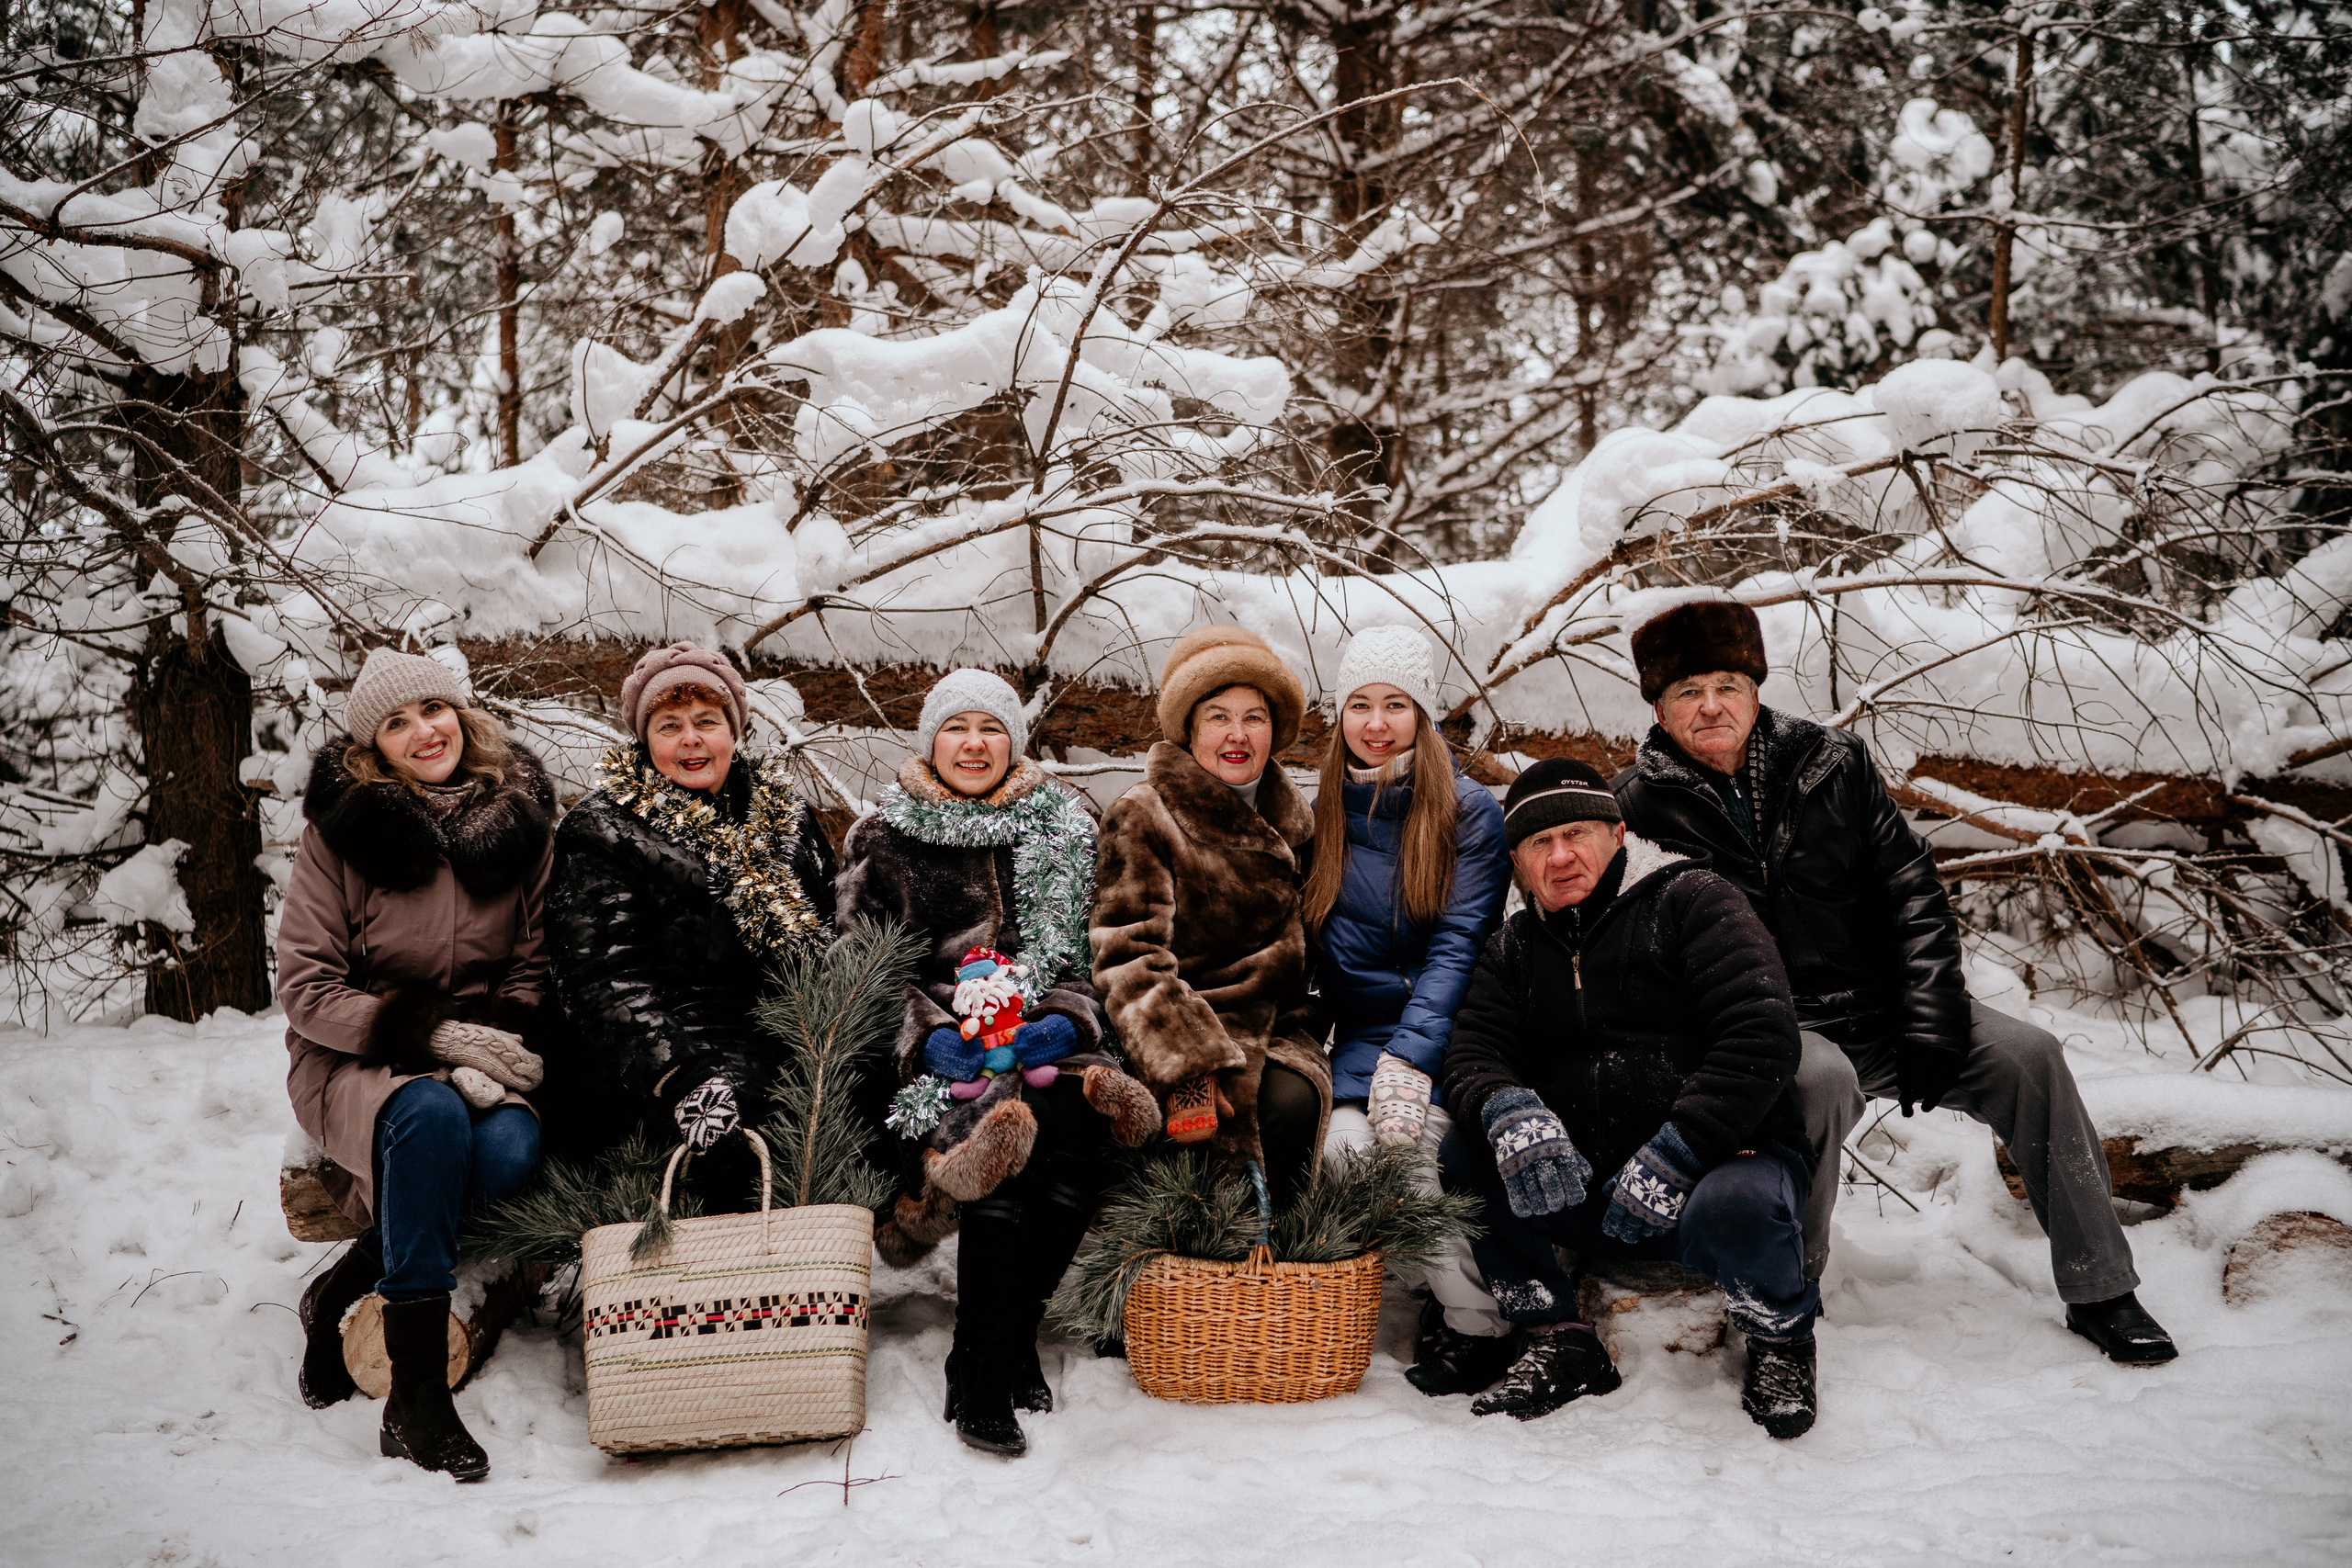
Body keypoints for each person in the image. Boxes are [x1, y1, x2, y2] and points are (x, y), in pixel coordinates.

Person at [1611, 599, 2176, 1365]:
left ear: (1754, 687)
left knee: (2031, 1055)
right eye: (1687, 691)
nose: (1710, 705)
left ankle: (2101, 1285)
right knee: (1818, 1079)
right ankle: (1790, 1294)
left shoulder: (1831, 764)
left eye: (1726, 684)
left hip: (1887, 1005)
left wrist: (1932, 1015)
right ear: (1657, 706)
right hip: (1772, 1027)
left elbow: (1912, 891)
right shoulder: (1632, 808)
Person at [1440, 759, 1822, 1437]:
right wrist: (1507, 1107)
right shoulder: (1514, 948)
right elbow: (1473, 1051)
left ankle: (1780, 1338)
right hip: (1591, 1190)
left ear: (1618, 834)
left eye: (1576, 833)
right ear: (1519, 862)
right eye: (1538, 843)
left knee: (1740, 1203)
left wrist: (1681, 1148)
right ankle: (1558, 1332)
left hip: (1715, 1168)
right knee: (1465, 1145)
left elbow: (1761, 1033)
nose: (1560, 857)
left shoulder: (1693, 899)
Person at [836, 669, 1156, 1459]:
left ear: (1014, 742)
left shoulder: (1063, 828)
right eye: (956, 727)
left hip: (1045, 1026)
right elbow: (854, 961)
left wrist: (1062, 1018)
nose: (973, 743)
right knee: (997, 1130)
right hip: (940, 1045)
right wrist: (927, 1035)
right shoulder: (881, 836)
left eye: (991, 728)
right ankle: (980, 1365)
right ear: (930, 742)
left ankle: (1004, 1338)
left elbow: (1091, 949)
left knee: (1077, 1124)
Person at [278, 647, 559, 1481]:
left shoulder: (522, 822)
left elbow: (532, 963)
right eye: (396, 723)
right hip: (355, 1055)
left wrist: (488, 1042)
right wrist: (430, 1039)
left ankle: (346, 1284)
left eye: (432, 710)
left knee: (508, 1151)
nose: (422, 731)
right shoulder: (341, 836)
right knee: (430, 1119)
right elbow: (304, 986)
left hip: (485, 1053)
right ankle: (416, 1400)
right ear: (374, 747)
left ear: (462, 716)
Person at [1301, 627, 1515, 1395]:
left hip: (1452, 1034)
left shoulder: (1467, 811)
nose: (1377, 722)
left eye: (1396, 704)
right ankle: (1400, 1296)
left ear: (1422, 715)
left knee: (1413, 1151)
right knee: (1341, 1154)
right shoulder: (1322, 810)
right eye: (1360, 704)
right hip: (1361, 1038)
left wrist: (1410, 1060)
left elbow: (1459, 946)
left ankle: (1480, 1327)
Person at [548, 641, 837, 1211]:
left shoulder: (788, 819)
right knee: (744, 1136)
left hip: (781, 1037)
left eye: (707, 721)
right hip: (659, 1055)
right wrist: (683, 1077)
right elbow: (603, 977)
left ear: (736, 731)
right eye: (669, 725)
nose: (691, 740)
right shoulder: (604, 832)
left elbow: (833, 933)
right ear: (644, 739)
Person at [1092, 626, 1331, 1212]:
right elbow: (1128, 956)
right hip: (1182, 1026)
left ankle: (1277, 1279)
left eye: (1254, 717)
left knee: (1297, 1102)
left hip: (1279, 1029)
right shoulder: (1144, 813)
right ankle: (1207, 1284)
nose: (1237, 735)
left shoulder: (1295, 819)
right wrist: (1189, 1062)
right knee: (1244, 1118)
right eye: (1218, 716)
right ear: (1189, 727)